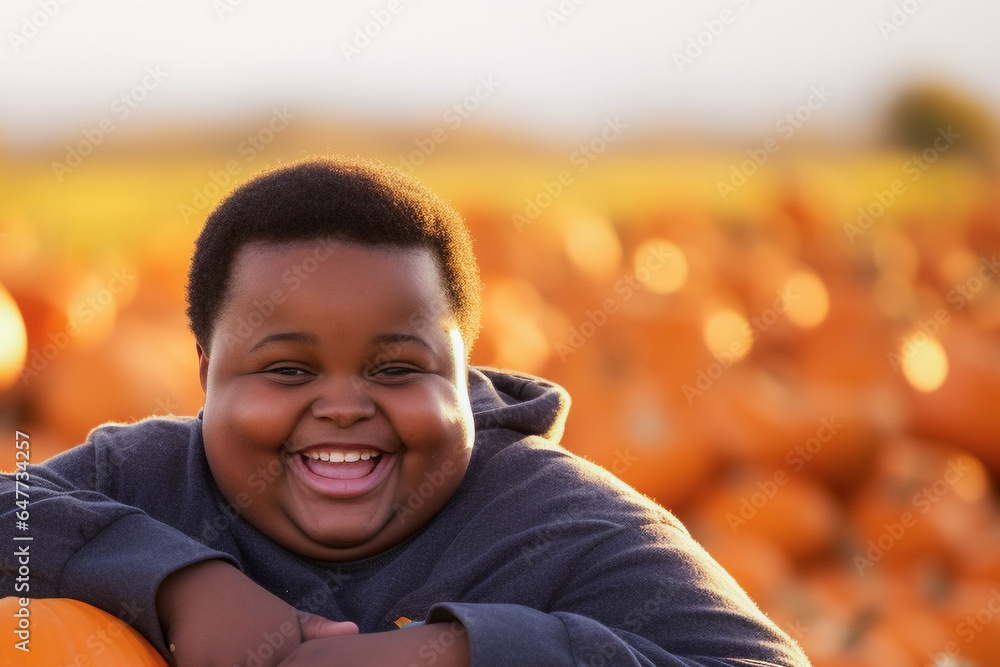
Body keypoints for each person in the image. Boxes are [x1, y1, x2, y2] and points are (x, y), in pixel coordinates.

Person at [0, 157, 811, 666]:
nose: (345, 406)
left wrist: (453, 650)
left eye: (397, 368)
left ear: (466, 375)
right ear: (209, 376)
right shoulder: (142, 476)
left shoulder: (560, 523)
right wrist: (182, 582)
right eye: (288, 368)